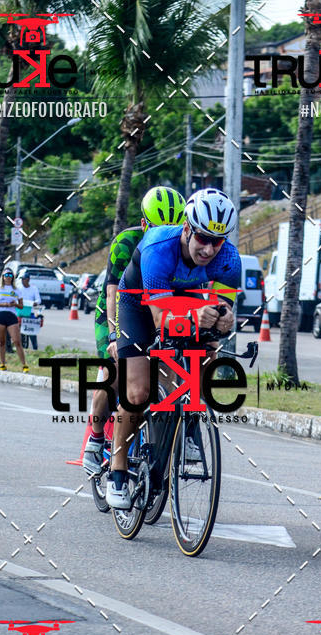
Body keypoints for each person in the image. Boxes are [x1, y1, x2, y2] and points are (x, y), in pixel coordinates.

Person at [105, 187, 241, 509]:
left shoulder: (229, 259)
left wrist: (223, 319)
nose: (208, 249)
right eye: (203, 238)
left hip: (185, 296)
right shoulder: (157, 249)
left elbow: (224, 306)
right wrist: (195, 317)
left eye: (217, 241)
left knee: (207, 350)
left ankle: (190, 421)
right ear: (186, 229)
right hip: (138, 304)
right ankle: (118, 471)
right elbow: (159, 320)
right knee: (137, 393)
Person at [82, 186, 187, 476]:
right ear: (144, 225)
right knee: (115, 369)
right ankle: (96, 437)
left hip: (154, 310)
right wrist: (115, 336)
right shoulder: (126, 242)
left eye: (174, 229)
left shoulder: (180, 248)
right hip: (117, 310)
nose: (165, 235)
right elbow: (113, 291)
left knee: (171, 372)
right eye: (157, 228)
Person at [0, 269, 29, 372]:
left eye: (10, 274)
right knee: (2, 341)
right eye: (6, 274)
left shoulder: (17, 290)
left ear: (13, 277)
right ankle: (2, 363)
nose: (8, 276)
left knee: (17, 341)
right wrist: (3, 304)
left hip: (11, 316)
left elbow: (21, 306)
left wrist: (14, 304)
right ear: (2, 276)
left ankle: (24, 365)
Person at [18, 270, 42, 350]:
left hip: (29, 312)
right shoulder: (19, 288)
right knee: (19, 329)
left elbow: (38, 300)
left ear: (28, 280)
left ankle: (35, 347)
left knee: (32, 330)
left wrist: (35, 303)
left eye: (24, 279)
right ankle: (21, 346)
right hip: (20, 311)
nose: (22, 281)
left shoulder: (33, 288)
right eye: (21, 279)